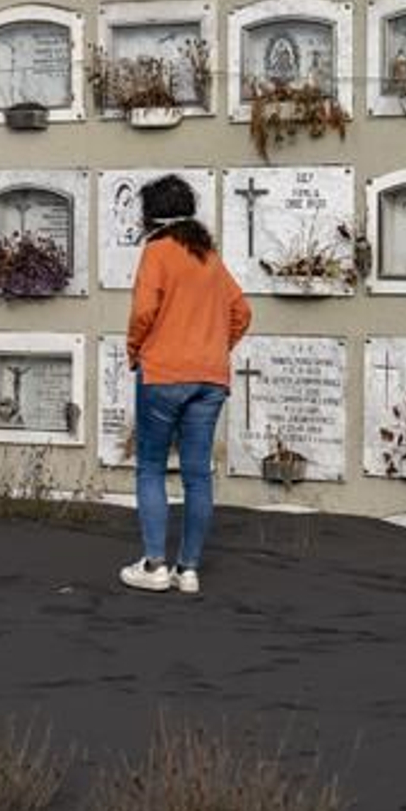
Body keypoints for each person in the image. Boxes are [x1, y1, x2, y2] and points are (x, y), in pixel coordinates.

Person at [121, 175, 251, 595]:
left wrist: (135, 350)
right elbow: (242, 310)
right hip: (210, 379)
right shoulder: (208, 256)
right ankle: (188, 569)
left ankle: (155, 565)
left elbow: (144, 311)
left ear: (150, 215)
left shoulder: (157, 251)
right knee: (198, 475)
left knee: (152, 468)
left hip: (163, 373)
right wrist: (215, 348)